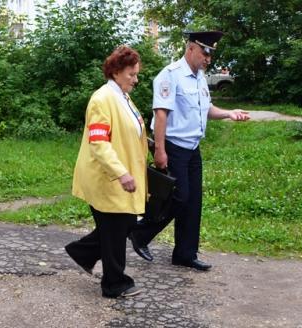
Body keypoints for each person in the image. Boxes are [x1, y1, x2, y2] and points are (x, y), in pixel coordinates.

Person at [130, 31, 250, 271]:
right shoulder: (170, 75)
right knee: (179, 197)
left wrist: (228, 113)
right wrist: (160, 151)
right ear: (191, 48)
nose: (208, 58)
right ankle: (139, 233)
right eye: (205, 52)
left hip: (193, 148)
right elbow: (161, 113)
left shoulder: (199, 78)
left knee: (193, 202)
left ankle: (185, 253)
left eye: (211, 54)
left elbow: (206, 108)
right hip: (174, 147)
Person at [65, 46, 147, 298]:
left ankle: (82, 252)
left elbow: (129, 130)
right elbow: (99, 142)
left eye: (136, 74)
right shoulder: (102, 99)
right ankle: (114, 283)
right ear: (116, 71)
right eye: (131, 74)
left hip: (121, 176)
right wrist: (121, 173)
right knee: (115, 228)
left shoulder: (123, 97)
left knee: (121, 226)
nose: (136, 79)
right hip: (107, 177)